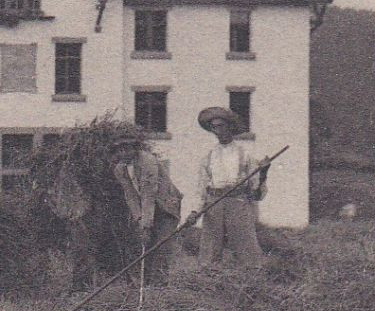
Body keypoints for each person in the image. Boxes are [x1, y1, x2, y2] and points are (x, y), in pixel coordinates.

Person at [194, 106, 269, 269]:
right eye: (213, 127)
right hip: (214, 204)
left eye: (220, 126)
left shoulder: (245, 155)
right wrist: (196, 212)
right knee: (209, 252)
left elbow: (257, 192)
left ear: (229, 126)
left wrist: (264, 172)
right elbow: (202, 190)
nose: (217, 130)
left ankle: (251, 281)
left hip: (238, 203)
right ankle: (208, 282)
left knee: (247, 250)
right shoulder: (208, 157)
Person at [109, 130, 183, 286]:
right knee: (145, 248)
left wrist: (146, 225)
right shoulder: (119, 169)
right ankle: (148, 285)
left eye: (128, 148)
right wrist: (139, 219)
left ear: (136, 148)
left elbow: (149, 193)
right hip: (146, 209)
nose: (124, 152)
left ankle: (160, 286)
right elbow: (130, 196)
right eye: (120, 149)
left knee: (160, 247)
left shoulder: (148, 161)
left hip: (165, 207)